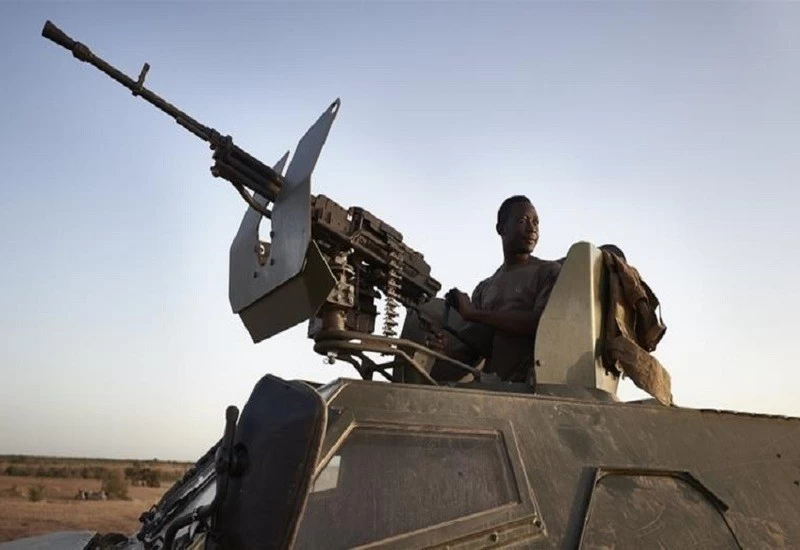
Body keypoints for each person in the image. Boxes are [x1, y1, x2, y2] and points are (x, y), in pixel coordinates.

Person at [444, 195, 561, 383]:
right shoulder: (484, 289)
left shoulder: (548, 271)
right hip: (494, 390)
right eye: (522, 221)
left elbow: (542, 324)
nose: (532, 228)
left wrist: (474, 314)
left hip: (532, 388)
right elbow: (472, 352)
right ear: (501, 228)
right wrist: (444, 349)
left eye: (536, 223)